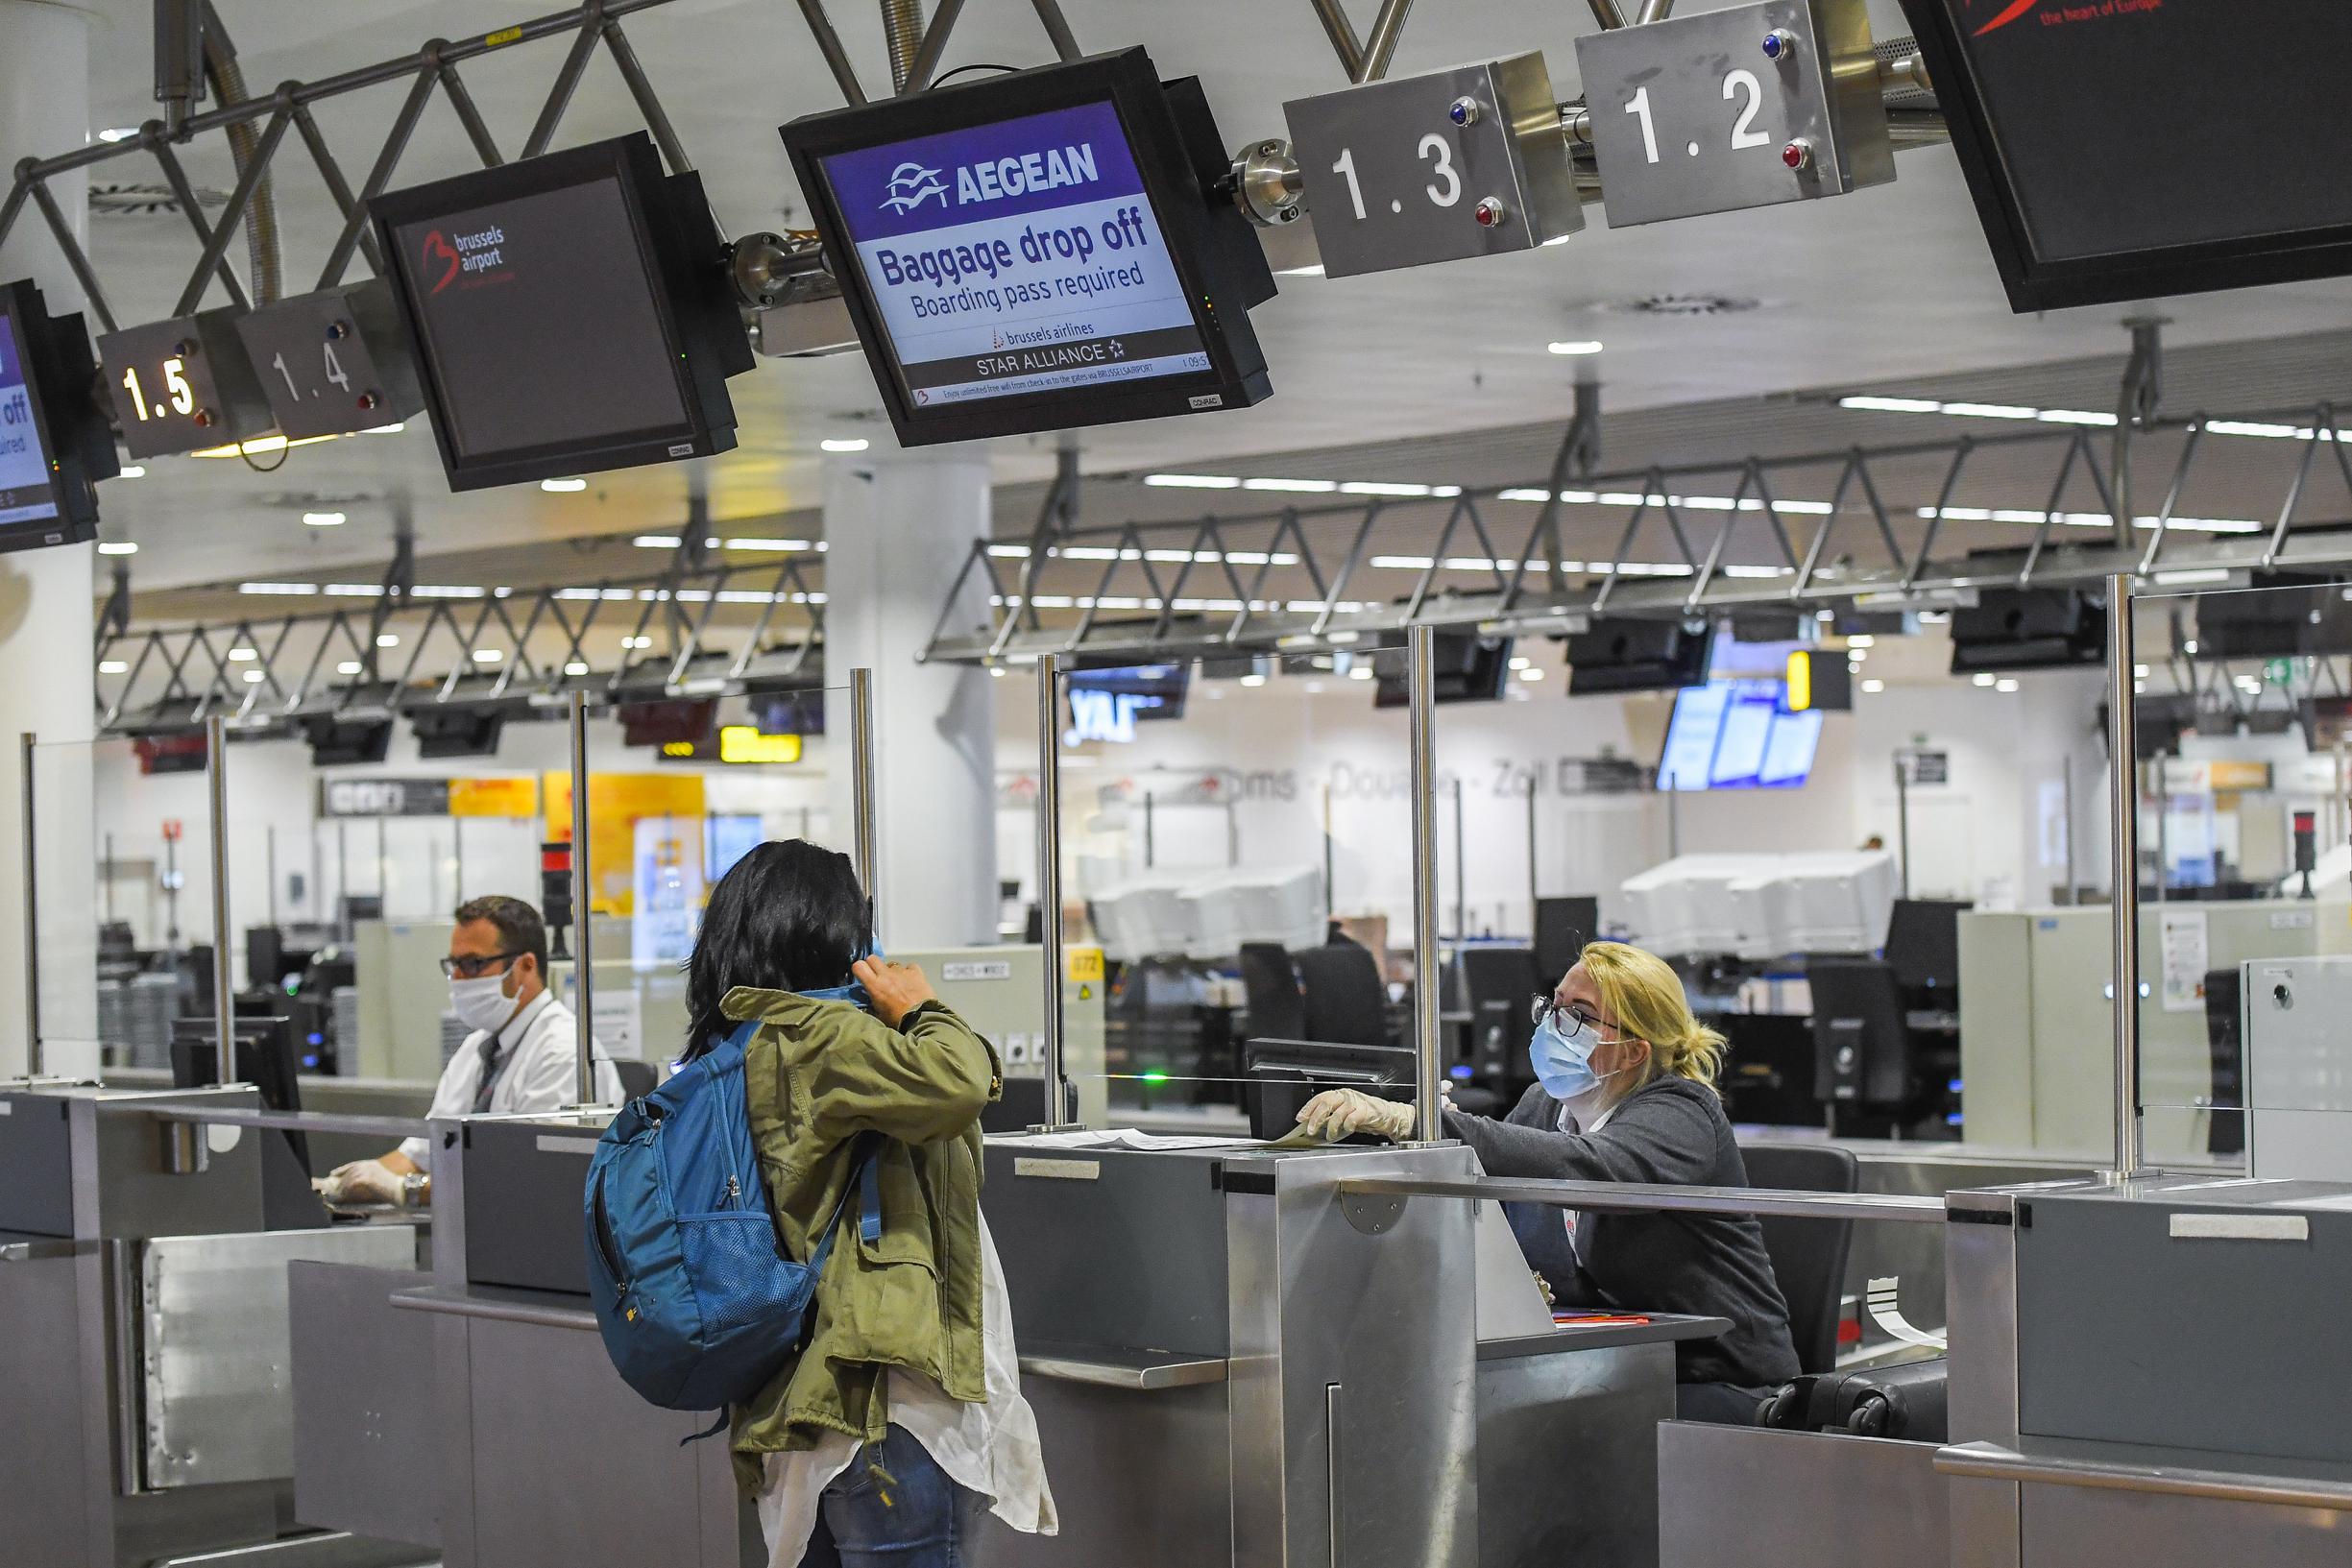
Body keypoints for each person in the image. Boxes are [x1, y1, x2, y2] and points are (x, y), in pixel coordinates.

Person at [681, 839, 1055, 1568]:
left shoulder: (739, 1044)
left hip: (799, 1403)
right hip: (883, 1414)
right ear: (830, 929)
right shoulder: (826, 1036)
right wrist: (924, 1007)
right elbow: (958, 1081)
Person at [1296, 939, 1800, 1425]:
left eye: (1579, 1015)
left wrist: (1427, 1122)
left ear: (1631, 1053)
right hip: (1606, 1368)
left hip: (1718, 1381)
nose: (1555, 1026)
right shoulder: (1542, 1106)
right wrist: (1426, 1150)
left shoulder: (1682, 1112)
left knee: (1535, 1437)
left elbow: (1591, 1170)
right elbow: (1493, 1201)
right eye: (1554, 1005)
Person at [318, 894, 620, 1208]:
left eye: (473, 964)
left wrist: (404, 1189)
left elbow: (532, 1176)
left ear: (526, 966)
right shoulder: (478, 1048)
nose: (458, 979)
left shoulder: (562, 1052)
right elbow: (423, 1153)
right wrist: (345, 1183)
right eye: (454, 964)